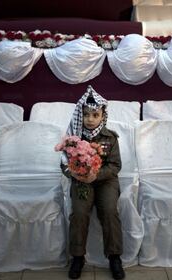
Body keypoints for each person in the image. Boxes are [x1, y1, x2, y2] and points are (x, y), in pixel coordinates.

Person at [61, 85, 125, 280]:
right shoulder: (73, 137)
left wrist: (95, 176)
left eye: (95, 115)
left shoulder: (110, 138)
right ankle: (78, 257)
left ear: (102, 116)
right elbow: (63, 164)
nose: (90, 119)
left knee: (109, 211)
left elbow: (115, 166)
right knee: (79, 213)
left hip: (105, 181)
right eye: (86, 115)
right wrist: (75, 174)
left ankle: (114, 257)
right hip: (81, 181)